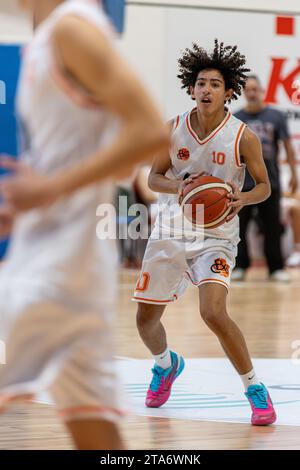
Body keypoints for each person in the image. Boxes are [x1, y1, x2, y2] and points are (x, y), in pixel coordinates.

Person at [0, 0, 169, 450]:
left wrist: (49, 189)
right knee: (95, 430)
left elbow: (152, 131)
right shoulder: (50, 36)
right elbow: (99, 158)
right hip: (68, 265)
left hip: (54, 271)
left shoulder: (74, 29)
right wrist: (25, 207)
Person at [133, 40, 277, 426]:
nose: (207, 90)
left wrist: (241, 198)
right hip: (171, 230)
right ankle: (166, 365)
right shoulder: (173, 129)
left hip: (216, 234)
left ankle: (254, 388)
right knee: (145, 321)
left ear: (229, 91)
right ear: (191, 88)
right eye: (201, 83)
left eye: (215, 84)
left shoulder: (242, 136)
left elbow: (263, 186)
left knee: (213, 312)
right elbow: (153, 178)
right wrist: (179, 187)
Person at [232, 75, 298, 282]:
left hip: (270, 182)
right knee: (239, 228)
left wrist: (294, 175)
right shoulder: (236, 117)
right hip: (243, 184)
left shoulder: (276, 116)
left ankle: (275, 268)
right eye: (248, 90)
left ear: (261, 91)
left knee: (272, 227)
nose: (252, 93)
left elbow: (287, 146)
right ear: (244, 93)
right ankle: (240, 266)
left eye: (255, 89)